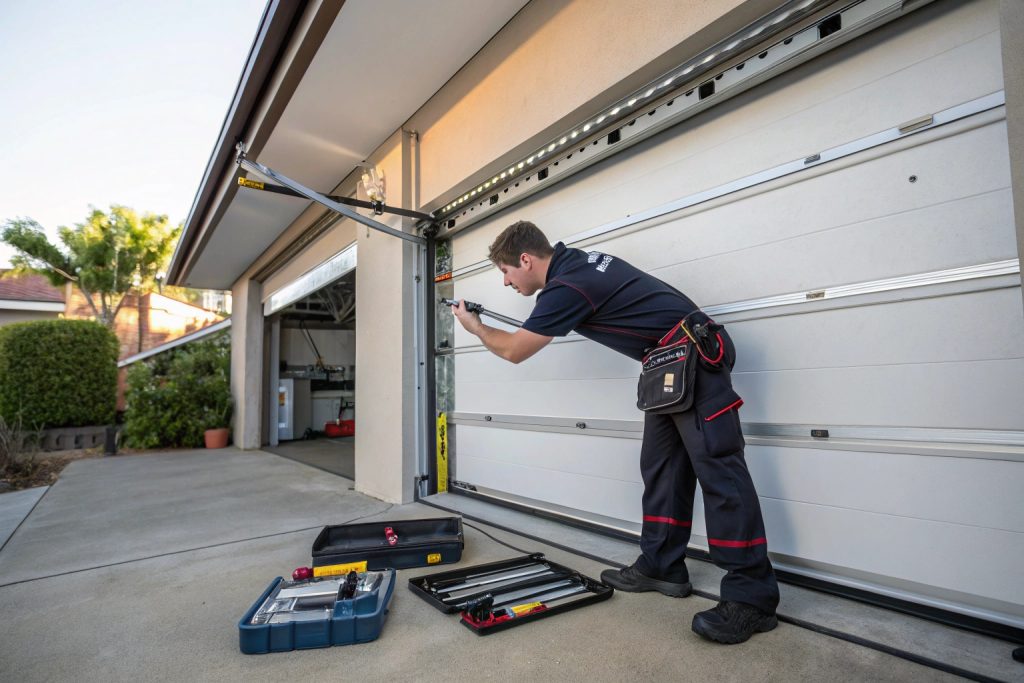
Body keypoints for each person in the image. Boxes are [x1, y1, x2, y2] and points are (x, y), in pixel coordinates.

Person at [451, 220, 780, 644]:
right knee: (661, 469)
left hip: (694, 359)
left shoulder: (567, 285)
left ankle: (753, 599)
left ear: (526, 260)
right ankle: (663, 565)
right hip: (667, 363)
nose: (506, 281)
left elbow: (515, 350)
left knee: (721, 474)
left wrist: (475, 327)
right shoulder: (579, 265)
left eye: (506, 271)